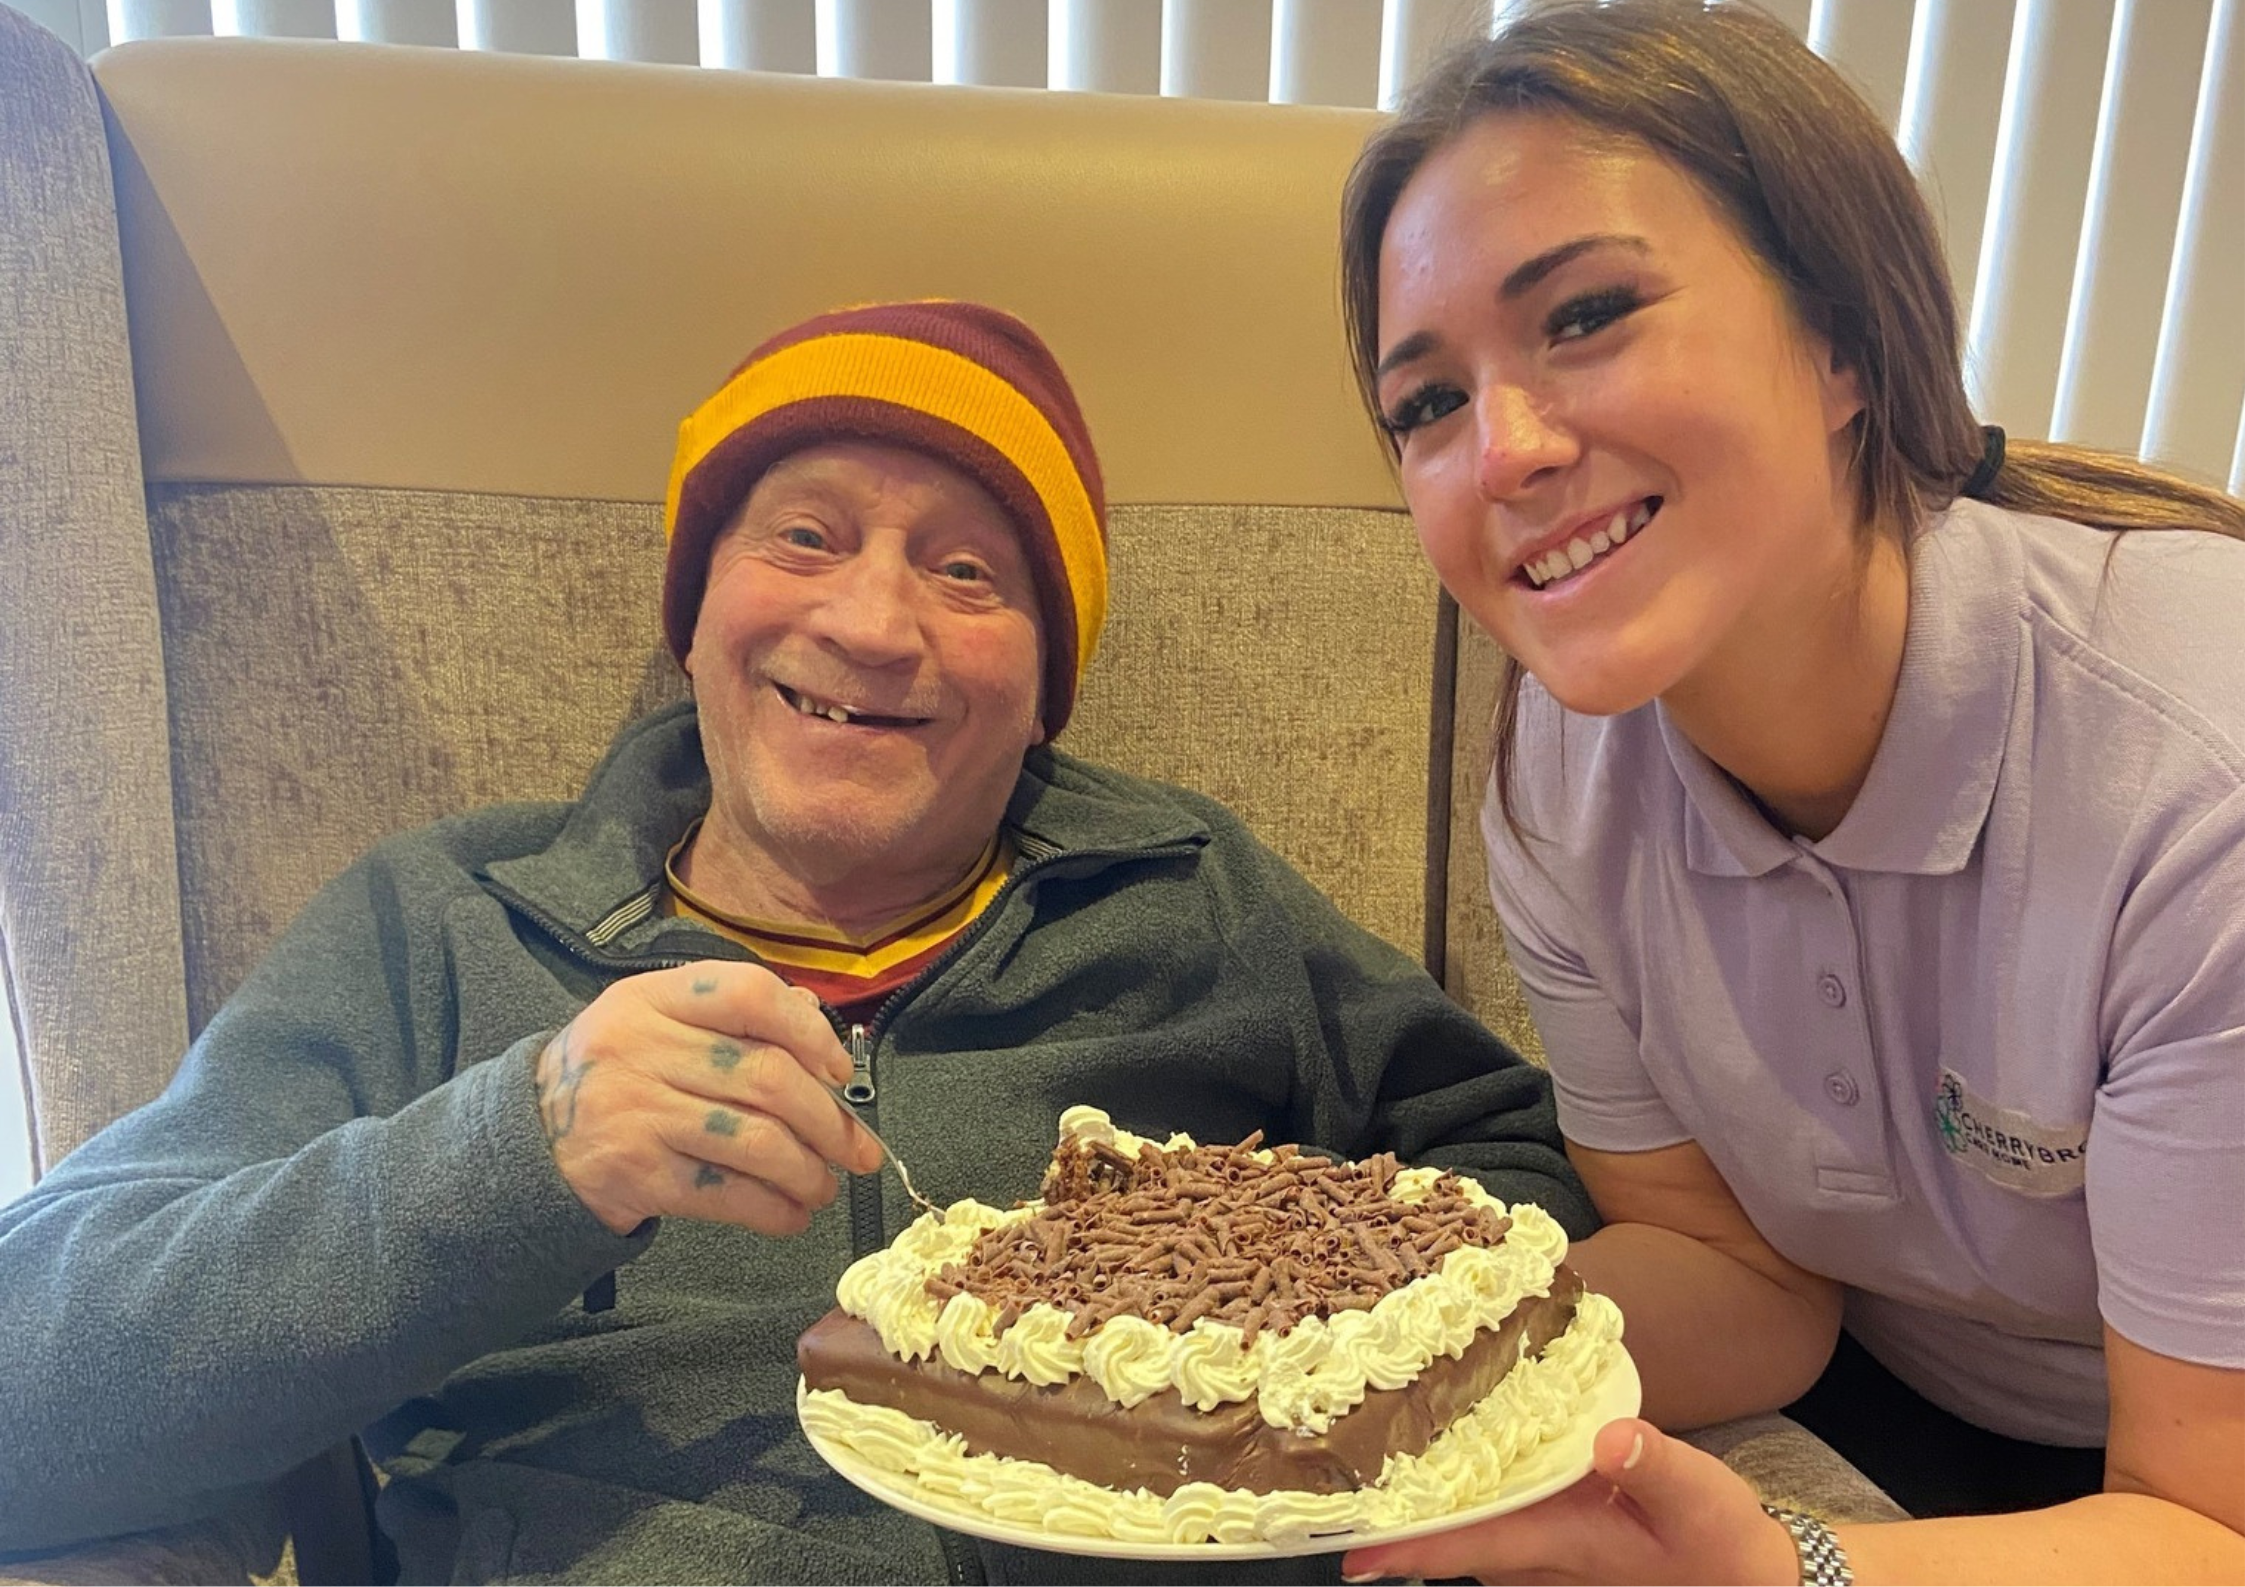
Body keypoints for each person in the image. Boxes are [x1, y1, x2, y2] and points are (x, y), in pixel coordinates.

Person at [0, 300, 1592, 1585]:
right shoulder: (440, 920)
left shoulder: (1197, 895)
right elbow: (28, 1389)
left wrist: (1308, 1390)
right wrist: (516, 1152)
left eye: (969, 571)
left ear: (1046, 685)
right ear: (693, 613)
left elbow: (1517, 1175)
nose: (875, 624)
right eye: (806, 538)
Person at [1331, 3, 2245, 1583]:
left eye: (1587, 314)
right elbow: (1729, 1264)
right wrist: (1360, 1382)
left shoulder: (2192, 779)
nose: (1505, 454)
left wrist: (1798, 1569)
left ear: (1841, 340)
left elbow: (2202, 1514)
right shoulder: (1557, 778)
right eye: (1428, 404)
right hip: (1916, 1404)